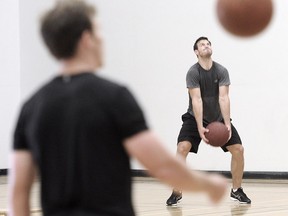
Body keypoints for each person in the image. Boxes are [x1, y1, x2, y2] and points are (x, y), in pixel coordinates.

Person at [8, 2, 228, 216]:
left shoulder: (31, 108)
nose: (103, 39)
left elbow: (18, 193)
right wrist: (209, 185)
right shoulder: (115, 97)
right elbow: (162, 166)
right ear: (86, 39)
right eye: (99, 33)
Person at [166, 36, 251, 206]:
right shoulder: (193, 72)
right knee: (182, 148)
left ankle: (237, 190)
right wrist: (199, 126)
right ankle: (177, 189)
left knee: (238, 149)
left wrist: (227, 124)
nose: (206, 46)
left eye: (208, 44)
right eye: (202, 45)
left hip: (218, 118)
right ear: (196, 52)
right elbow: (196, 100)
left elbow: (224, 98)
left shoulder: (221, 70)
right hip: (194, 117)